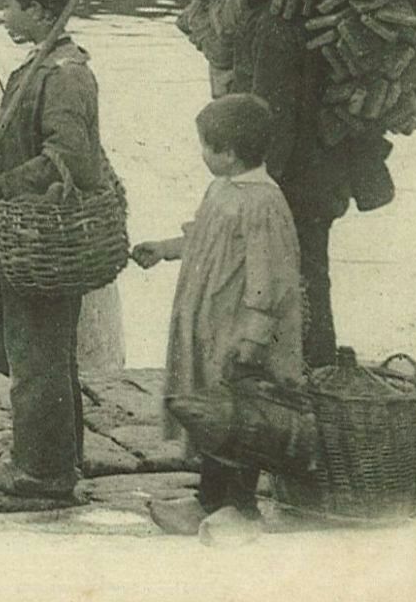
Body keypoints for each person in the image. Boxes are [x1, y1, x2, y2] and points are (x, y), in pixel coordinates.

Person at [205, 0, 392, 368]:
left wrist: (254, 187)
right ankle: (315, 375)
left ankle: (309, 382)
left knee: (299, 281)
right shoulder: (289, 5)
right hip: (317, 175)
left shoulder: (274, 21)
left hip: (296, 182)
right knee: (308, 277)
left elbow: (271, 117)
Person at [0, 0, 102, 502]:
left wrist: (0, 186)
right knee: (50, 351)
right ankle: (61, 459)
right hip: (38, 232)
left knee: (35, 353)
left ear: (39, 12)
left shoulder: (62, 76)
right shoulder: (49, 65)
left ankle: (42, 472)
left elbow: (71, 157)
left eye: (11, 7)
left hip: (42, 234)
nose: (3, 17)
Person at [133, 93, 303, 538]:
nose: (203, 154)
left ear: (229, 152)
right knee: (211, 411)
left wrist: (254, 337)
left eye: (207, 147)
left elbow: (270, 275)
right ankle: (209, 499)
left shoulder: (263, 202)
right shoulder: (222, 189)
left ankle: (241, 507)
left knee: (239, 416)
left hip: (236, 329)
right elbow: (202, 238)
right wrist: (167, 249)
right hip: (210, 325)